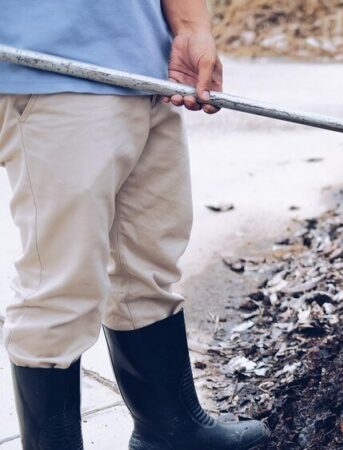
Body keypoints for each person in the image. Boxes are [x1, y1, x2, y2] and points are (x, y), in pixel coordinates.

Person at [0, 1, 269, 449]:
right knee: (60, 286)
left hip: (149, 72)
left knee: (147, 266)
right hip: (49, 73)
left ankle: (170, 430)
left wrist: (191, 28)